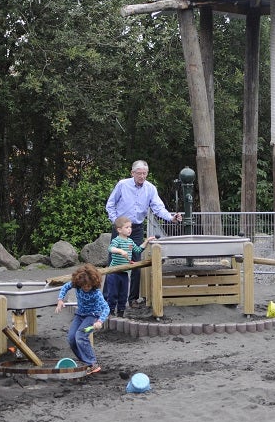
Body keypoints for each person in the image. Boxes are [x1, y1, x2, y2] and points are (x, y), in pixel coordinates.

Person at [105, 160, 182, 306]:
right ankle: (107, 298)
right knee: (113, 261)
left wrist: (171, 217)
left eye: (144, 173)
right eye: (139, 173)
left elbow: (158, 208)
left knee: (136, 263)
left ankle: (132, 299)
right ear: (132, 173)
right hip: (120, 227)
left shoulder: (150, 188)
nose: (142, 176)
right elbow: (110, 204)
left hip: (136, 229)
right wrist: (116, 222)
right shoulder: (122, 185)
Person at [55, 264, 109, 374]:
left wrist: (100, 321)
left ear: (93, 283)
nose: (86, 288)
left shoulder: (96, 293)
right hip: (80, 315)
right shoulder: (77, 285)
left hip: (93, 316)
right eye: (84, 286)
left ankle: (92, 364)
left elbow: (106, 308)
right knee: (71, 338)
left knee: (80, 336)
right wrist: (60, 300)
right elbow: (65, 287)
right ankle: (84, 361)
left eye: (88, 286)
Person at [104, 216, 155, 317]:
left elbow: (138, 250)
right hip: (114, 273)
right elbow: (111, 248)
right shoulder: (117, 240)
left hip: (124, 273)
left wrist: (146, 241)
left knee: (123, 294)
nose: (130, 229)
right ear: (119, 230)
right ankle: (110, 312)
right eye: (127, 227)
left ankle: (121, 312)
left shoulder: (130, 241)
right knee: (113, 294)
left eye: (130, 227)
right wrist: (120, 251)